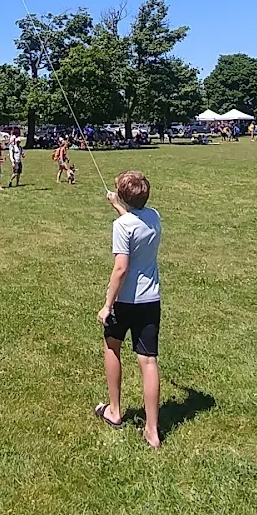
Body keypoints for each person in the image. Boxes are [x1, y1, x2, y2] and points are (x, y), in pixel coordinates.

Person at [95, 171, 163, 450]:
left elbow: (121, 268)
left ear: (123, 196)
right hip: (151, 300)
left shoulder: (121, 226)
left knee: (112, 348)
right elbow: (136, 221)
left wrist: (107, 305)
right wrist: (119, 206)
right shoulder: (154, 216)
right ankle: (152, 431)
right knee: (148, 362)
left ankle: (114, 410)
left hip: (124, 301)